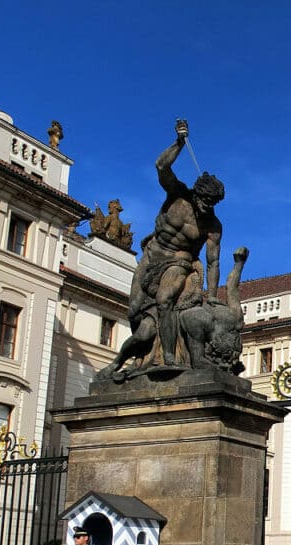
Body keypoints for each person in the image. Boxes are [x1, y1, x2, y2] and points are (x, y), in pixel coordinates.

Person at [100, 119, 225, 378]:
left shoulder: (212, 225)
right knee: (134, 314)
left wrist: (212, 296)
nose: (206, 207)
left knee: (165, 300)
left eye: (212, 203)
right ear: (196, 194)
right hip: (150, 257)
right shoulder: (177, 195)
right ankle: (128, 361)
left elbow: (213, 262)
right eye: (204, 201)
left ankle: (169, 357)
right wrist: (179, 142)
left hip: (179, 263)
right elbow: (161, 166)